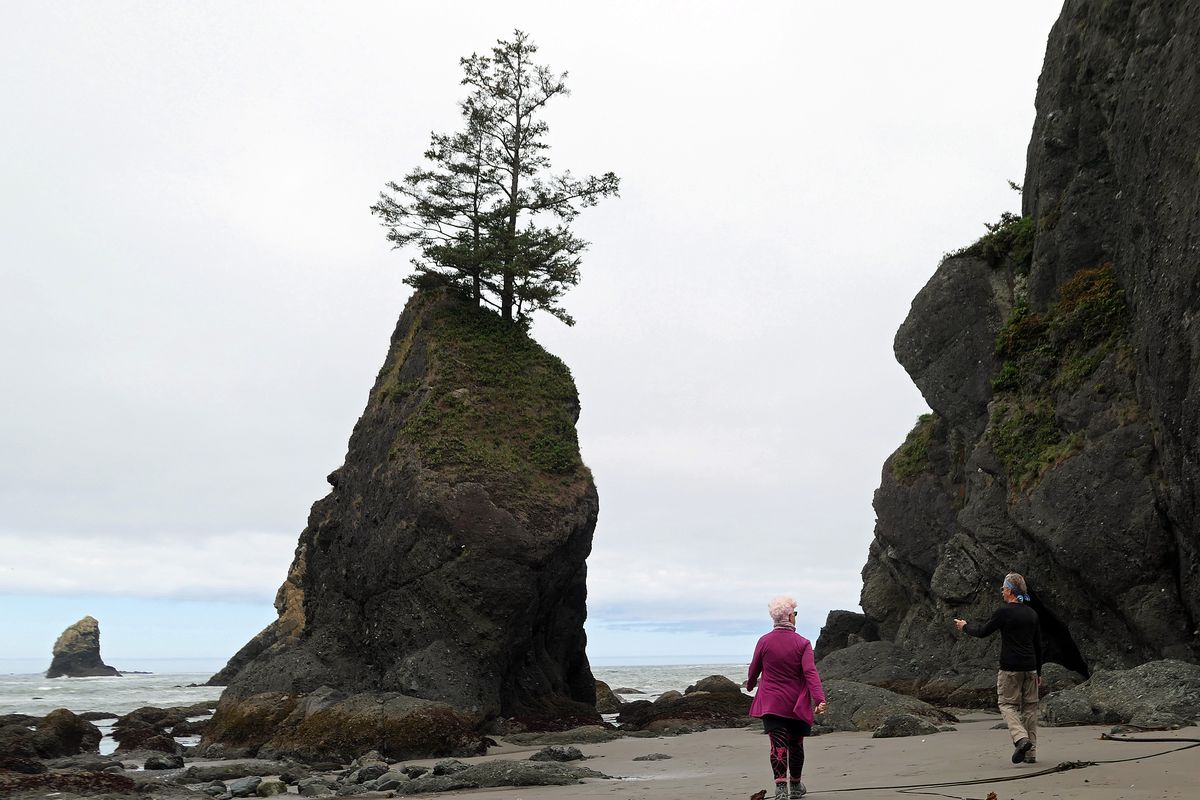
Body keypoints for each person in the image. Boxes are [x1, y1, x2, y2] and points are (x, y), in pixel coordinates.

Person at [954, 572, 1044, 764]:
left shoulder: (1004, 612)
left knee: (1007, 705)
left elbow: (983, 632)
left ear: (1010, 591)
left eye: (1003, 588)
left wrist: (965, 626)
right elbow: (1038, 645)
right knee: (1030, 709)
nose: (1002, 592)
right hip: (1031, 668)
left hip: (1010, 668)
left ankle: (1021, 739)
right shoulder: (1032, 613)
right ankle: (1031, 753)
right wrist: (1039, 672)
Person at [747, 595, 827, 800]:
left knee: (778, 745)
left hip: (771, 703)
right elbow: (810, 673)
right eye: (795, 614)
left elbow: (754, 668)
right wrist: (819, 699)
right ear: (790, 617)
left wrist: (749, 684)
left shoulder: (764, 641)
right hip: (795, 705)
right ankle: (796, 786)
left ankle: (780, 788)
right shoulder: (803, 643)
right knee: (796, 744)